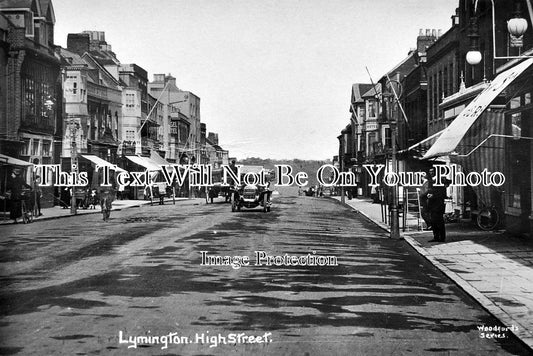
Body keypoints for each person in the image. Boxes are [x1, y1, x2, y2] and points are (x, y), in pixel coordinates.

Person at [426, 177, 451, 242]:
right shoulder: (437, 188)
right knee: (434, 223)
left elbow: (440, 196)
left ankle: (441, 237)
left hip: (438, 208)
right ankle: (437, 237)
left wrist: (432, 196)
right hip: (434, 207)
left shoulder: (441, 188)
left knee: (439, 223)